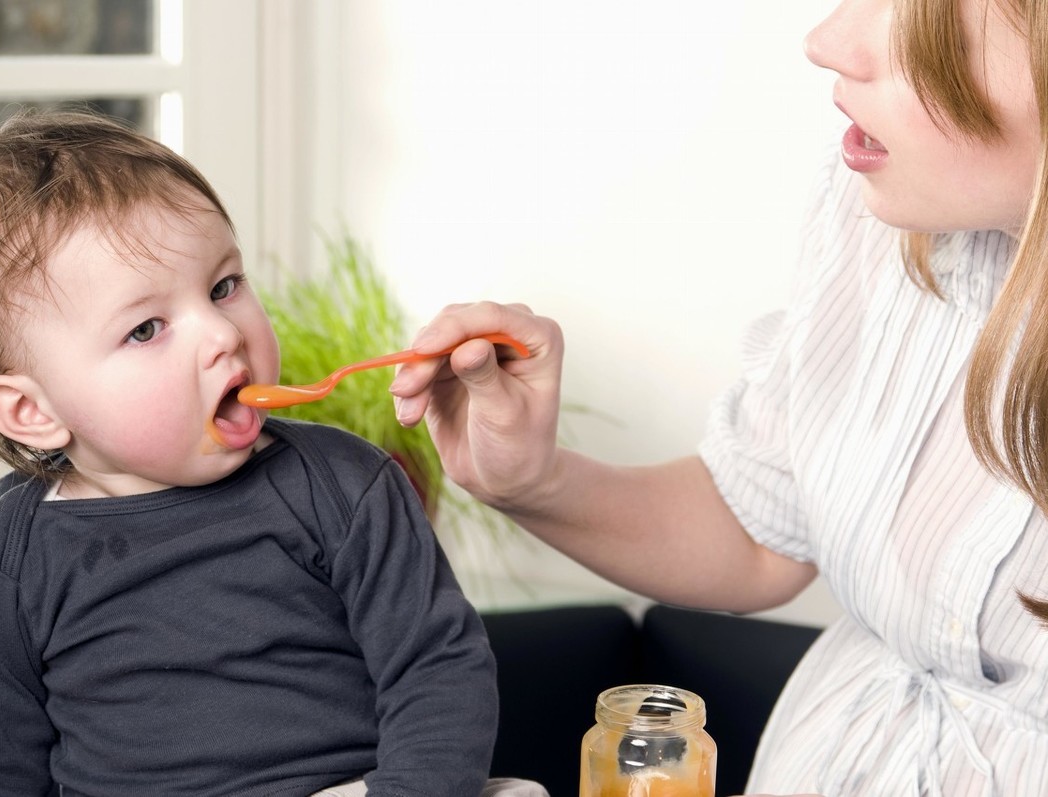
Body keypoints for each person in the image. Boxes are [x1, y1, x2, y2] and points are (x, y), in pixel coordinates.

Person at [389, 0, 1048, 795]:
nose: (826, 41)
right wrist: (532, 479)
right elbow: (762, 535)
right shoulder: (881, 208)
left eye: (921, 20)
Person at [0, 109, 545, 797]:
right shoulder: (2, 554)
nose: (221, 332)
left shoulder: (343, 485)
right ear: (33, 411)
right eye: (147, 328)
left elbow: (439, 672)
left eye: (223, 286)